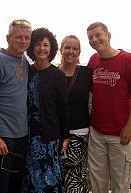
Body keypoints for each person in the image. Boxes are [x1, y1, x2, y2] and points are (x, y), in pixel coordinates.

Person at [0, 19, 32, 193]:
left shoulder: (24, 60)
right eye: (19, 37)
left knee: (14, 186)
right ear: (8, 38)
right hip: (3, 137)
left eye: (27, 38)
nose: (23, 41)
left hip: (21, 136)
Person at [22, 27, 69, 193]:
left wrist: (65, 136)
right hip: (28, 134)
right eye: (38, 44)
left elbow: (63, 107)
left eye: (46, 45)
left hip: (49, 136)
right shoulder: (27, 71)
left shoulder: (57, 75)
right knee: (31, 176)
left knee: (49, 177)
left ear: (51, 49)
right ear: (32, 48)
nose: (42, 48)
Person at [86, 22, 131, 193]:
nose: (95, 40)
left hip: (121, 134)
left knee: (120, 181)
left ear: (108, 35)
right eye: (91, 37)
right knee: (98, 181)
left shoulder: (127, 59)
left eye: (98, 35)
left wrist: (129, 126)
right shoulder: (93, 60)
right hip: (97, 131)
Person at [58, 35, 92, 193]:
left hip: (79, 133)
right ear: (61, 49)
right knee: (57, 177)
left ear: (79, 52)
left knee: (75, 180)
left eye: (75, 48)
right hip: (56, 134)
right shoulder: (52, 74)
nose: (70, 51)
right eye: (67, 47)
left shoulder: (86, 73)